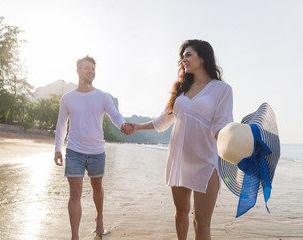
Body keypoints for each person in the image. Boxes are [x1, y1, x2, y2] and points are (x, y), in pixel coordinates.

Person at [122, 39, 233, 240]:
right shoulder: (181, 90)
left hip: (206, 161)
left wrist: (235, 146)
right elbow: (163, 121)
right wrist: (137, 126)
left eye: (188, 54)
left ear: (202, 56)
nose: (183, 59)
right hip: (179, 159)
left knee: (202, 224)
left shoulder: (222, 90)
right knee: (181, 213)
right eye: (182, 56)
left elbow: (222, 126)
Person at [54, 55, 131, 240]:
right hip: (74, 150)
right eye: (87, 68)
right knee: (75, 191)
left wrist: (122, 125)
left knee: (97, 186)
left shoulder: (102, 97)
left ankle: (100, 219)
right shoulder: (67, 98)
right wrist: (58, 148)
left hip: (97, 151)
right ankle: (75, 236)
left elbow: (115, 115)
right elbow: (62, 125)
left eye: (93, 69)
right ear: (78, 71)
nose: (91, 71)